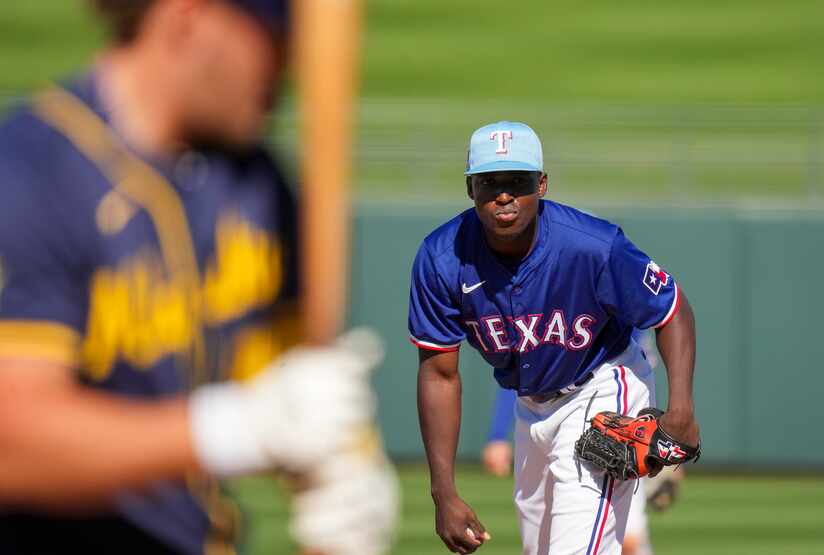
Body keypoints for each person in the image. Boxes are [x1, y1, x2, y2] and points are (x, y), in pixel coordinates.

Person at [0, 1, 396, 554]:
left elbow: (297, 383)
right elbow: (10, 444)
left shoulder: (256, 186)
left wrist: (345, 472)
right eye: (275, 31)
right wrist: (231, 430)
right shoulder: (28, 174)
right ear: (189, 16)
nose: (292, 62)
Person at [409, 121, 699, 554]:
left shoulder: (594, 246)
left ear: (541, 184)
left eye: (517, 181)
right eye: (489, 182)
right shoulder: (441, 258)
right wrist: (442, 491)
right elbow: (439, 374)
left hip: (602, 389)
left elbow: (672, 309)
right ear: (470, 188)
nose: (503, 194)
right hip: (530, 411)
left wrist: (681, 409)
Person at [480, 329, 678, 555]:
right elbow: (524, 368)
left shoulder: (631, 315)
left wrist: (663, 439)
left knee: (629, 542)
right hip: (542, 412)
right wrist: (497, 435)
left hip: (620, 421)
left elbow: (638, 373)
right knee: (538, 547)